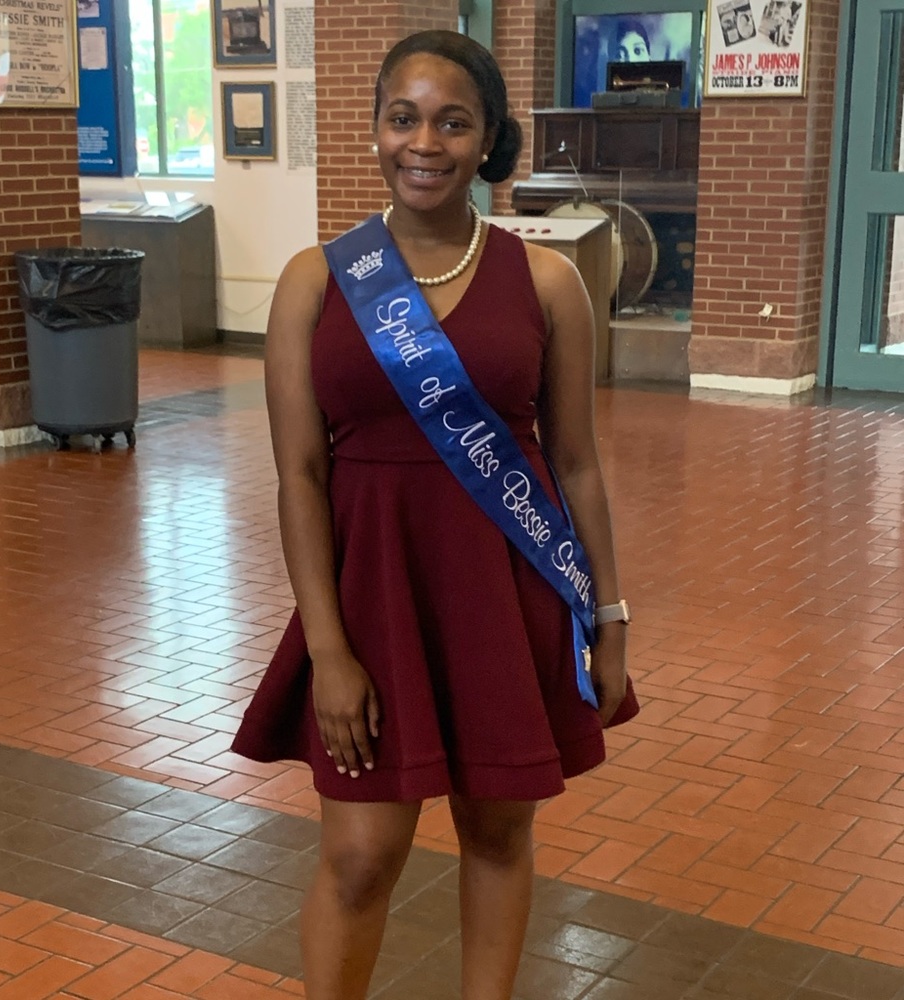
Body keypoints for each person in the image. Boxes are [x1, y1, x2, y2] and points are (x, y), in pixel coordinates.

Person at [232, 29, 639, 1000]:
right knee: (362, 852)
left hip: (505, 596)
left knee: (497, 832)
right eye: (403, 118)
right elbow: (297, 474)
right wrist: (328, 648)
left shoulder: (546, 283)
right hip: (372, 595)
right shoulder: (315, 280)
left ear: (487, 139)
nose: (425, 142)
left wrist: (609, 618)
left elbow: (576, 463)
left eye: (453, 122)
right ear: (376, 130)